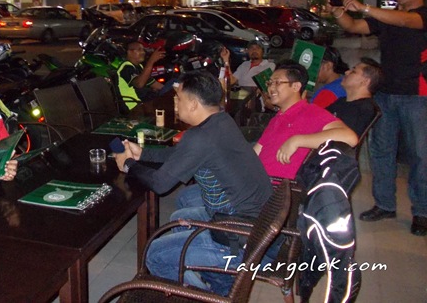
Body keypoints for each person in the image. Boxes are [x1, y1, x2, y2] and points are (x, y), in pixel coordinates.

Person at [113, 71, 272, 293]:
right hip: (256, 224)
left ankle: (205, 295)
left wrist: (129, 164)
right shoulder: (221, 121)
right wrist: (143, 154)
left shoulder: (200, 137)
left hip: (241, 239)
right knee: (180, 219)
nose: (175, 103)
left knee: (155, 254)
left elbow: (160, 184)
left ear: (194, 104)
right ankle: (217, 283)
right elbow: (184, 154)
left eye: (179, 98)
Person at [329, 0, 427, 236]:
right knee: (381, 150)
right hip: (384, 93)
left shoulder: (420, 16)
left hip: (417, 94)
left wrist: (365, 7)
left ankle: (422, 211)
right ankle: (384, 204)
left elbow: (406, 21)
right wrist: (338, 11)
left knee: (420, 155)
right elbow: (353, 27)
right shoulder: (388, 18)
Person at [254, 61, 358, 180]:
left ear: (296, 86)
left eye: (277, 82)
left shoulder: (310, 112)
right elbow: (257, 151)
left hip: (277, 186)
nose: (271, 88)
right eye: (269, 83)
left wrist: (296, 140)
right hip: (258, 180)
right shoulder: (278, 117)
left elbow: (350, 137)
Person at [326, 57, 383, 138]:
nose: (346, 72)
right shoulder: (341, 101)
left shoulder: (364, 108)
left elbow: (344, 138)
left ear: (365, 81)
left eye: (353, 72)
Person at [116, 41, 166, 110]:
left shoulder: (139, 67)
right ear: (129, 52)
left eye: (143, 50)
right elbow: (139, 84)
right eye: (139, 50)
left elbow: (154, 84)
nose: (143, 52)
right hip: (135, 106)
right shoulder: (126, 67)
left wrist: (171, 89)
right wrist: (151, 61)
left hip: (145, 102)